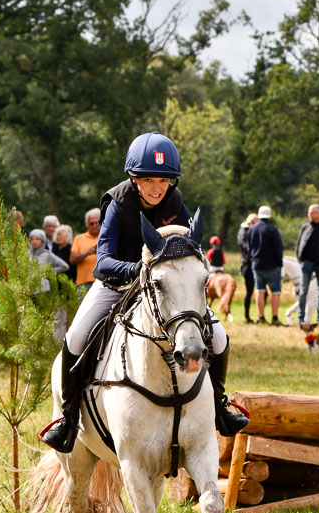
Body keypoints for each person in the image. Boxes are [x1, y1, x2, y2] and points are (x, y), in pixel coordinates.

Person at [40, 131, 249, 453]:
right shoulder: (117, 202)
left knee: (219, 338)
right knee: (76, 337)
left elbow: (189, 251)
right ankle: (68, 419)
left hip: (166, 289)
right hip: (117, 283)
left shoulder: (176, 204)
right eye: (148, 179)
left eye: (163, 181)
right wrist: (138, 271)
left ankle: (220, 406)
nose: (156, 188)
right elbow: (103, 262)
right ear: (134, 179)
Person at [246, 205, 283, 325]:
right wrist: (279, 263)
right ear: (270, 217)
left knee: (259, 290)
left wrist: (252, 260)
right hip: (272, 265)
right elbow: (278, 248)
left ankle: (261, 317)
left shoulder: (251, 229)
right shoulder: (272, 229)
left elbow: (248, 248)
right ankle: (275, 318)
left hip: (256, 265)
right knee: (276, 291)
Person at [296, 204, 319, 324]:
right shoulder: (305, 227)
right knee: (303, 291)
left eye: (311, 212)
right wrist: (300, 259)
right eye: (308, 212)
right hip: (306, 263)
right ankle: (301, 318)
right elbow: (299, 243)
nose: (309, 215)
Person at [69, 209, 100, 294]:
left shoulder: (106, 237)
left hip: (103, 282)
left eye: (97, 223)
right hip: (83, 283)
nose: (95, 225)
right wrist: (86, 253)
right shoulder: (79, 238)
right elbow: (72, 259)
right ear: (87, 224)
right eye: (91, 223)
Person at [237, 212, 259, 324]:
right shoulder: (244, 232)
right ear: (250, 222)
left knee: (256, 291)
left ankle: (253, 316)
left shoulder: (246, 231)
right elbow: (247, 248)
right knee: (249, 291)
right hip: (248, 265)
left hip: (250, 264)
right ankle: (247, 317)